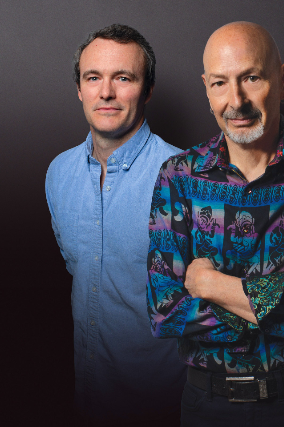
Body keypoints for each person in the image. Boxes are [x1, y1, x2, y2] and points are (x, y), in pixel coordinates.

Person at [147, 22, 284, 427]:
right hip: (209, 406)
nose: (237, 101)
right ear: (206, 89)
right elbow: (165, 312)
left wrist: (211, 285)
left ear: (282, 81)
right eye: (220, 83)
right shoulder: (178, 177)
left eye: (251, 78)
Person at [45, 24, 186, 426]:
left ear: (147, 89)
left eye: (123, 78)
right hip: (87, 399)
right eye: (93, 78)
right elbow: (80, 269)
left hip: (164, 407)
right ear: (79, 88)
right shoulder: (58, 174)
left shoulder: (185, 178)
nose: (106, 92)